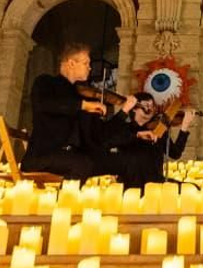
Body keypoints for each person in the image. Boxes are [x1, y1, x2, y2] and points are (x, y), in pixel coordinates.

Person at [23, 42, 135, 180]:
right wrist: (83, 105)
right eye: (86, 63)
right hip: (43, 155)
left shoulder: (80, 96)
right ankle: (66, 200)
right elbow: (44, 104)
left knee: (125, 161)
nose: (89, 67)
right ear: (71, 63)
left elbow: (100, 134)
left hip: (75, 156)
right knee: (82, 164)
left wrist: (124, 111)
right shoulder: (46, 82)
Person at [101, 97, 197, 188]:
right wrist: (137, 136)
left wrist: (184, 126)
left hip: (155, 182)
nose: (150, 109)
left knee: (192, 188)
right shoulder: (124, 128)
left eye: (152, 106)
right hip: (129, 184)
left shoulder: (159, 130)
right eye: (146, 105)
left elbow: (175, 154)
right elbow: (106, 144)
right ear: (134, 109)